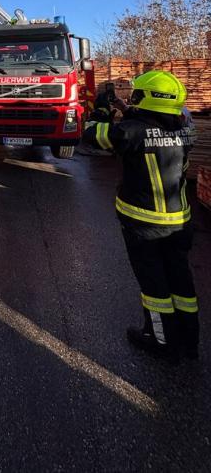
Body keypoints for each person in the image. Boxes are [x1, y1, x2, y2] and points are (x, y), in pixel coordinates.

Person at [83, 70, 199, 363]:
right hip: (180, 223)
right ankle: (189, 340)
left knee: (154, 286)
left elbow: (93, 135)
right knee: (181, 280)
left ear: (148, 98)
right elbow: (154, 126)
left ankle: (160, 340)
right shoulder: (188, 129)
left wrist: (100, 109)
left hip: (144, 225)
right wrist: (125, 108)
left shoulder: (130, 132)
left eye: (138, 94)